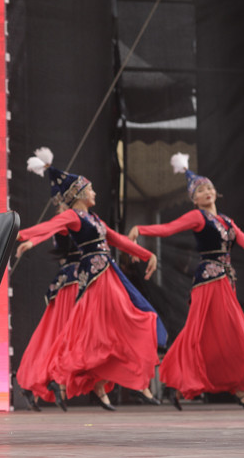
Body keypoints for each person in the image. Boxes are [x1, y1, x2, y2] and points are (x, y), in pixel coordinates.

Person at [128, 154, 244, 409]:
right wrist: (140, 229)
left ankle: (213, 386)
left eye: (209, 188)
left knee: (219, 335)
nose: (206, 192)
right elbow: (169, 228)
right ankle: (227, 388)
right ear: (194, 199)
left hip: (225, 282)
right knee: (208, 332)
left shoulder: (227, 221)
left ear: (216, 193)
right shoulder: (198, 217)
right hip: (208, 281)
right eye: (200, 190)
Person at [15, 161, 160, 411]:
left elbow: (118, 240)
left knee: (121, 324)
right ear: (79, 193)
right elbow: (48, 227)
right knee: (109, 326)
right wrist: (24, 236)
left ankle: (118, 382)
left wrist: (148, 254)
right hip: (94, 277)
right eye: (90, 189)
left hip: (106, 274)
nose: (94, 192)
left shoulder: (94, 219)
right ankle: (65, 374)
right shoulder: (71, 215)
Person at [14, 148, 78, 411]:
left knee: (56, 336)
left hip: (77, 280)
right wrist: (30, 241)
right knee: (62, 335)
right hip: (72, 283)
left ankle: (38, 382)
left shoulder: (79, 219)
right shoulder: (67, 219)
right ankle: (46, 381)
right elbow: (47, 230)